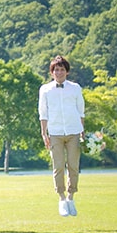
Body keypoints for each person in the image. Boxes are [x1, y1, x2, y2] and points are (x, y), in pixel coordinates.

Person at [38, 55, 85, 217]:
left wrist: (82, 132)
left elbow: (81, 111)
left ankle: (71, 198)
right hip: (55, 132)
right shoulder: (45, 90)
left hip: (73, 132)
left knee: (73, 166)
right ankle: (61, 198)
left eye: (62, 70)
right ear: (51, 72)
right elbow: (43, 113)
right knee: (58, 166)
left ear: (67, 72)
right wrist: (44, 133)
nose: (59, 73)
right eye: (56, 70)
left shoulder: (75, 88)